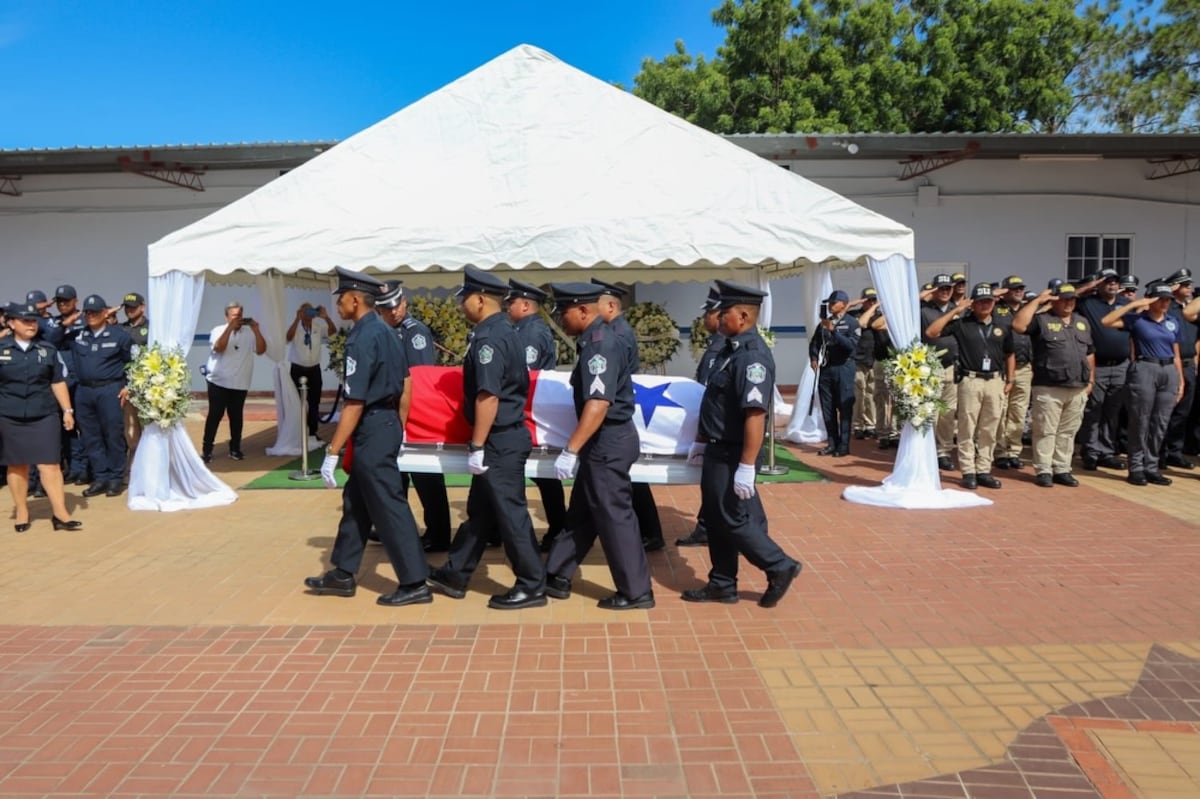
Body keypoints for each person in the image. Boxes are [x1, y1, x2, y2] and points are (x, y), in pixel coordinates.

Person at [305, 267, 431, 606]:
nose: (337, 305)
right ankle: (343, 572)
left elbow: (355, 401)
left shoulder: (362, 336)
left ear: (355, 299)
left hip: (372, 427)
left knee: (389, 506)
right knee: (357, 502)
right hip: (386, 423)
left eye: (341, 298)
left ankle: (415, 581)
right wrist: (399, 426)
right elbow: (406, 384)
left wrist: (332, 451)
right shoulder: (389, 331)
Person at [426, 267, 546, 610]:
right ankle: (456, 572)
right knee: (481, 510)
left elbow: (489, 396)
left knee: (511, 515)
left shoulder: (489, 338)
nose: (462, 306)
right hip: (503, 437)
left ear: (480, 299)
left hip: (499, 440)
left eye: (465, 299)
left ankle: (532, 584)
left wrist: (477, 445)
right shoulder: (502, 330)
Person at [680, 280, 801, 608]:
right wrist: (703, 441)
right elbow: (717, 403)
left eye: (725, 314)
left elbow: (755, 415)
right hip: (719, 448)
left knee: (733, 519)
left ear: (744, 315)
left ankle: (779, 565)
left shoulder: (752, 357)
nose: (719, 319)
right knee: (718, 519)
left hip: (735, 453)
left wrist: (747, 466)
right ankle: (722, 583)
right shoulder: (730, 350)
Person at [543, 282, 653, 610]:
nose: (560, 319)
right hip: (605, 440)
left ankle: (636, 591)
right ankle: (558, 573)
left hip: (608, 440)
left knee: (613, 517)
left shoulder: (599, 346)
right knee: (583, 511)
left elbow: (598, 403)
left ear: (583, 311)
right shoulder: (593, 342)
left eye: (563, 312)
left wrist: (570, 449)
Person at [375, 281, 452, 553]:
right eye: (387, 308)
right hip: (393, 410)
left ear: (404, 302)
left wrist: (405, 419)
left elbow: (420, 377)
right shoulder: (384, 332)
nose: (393, 312)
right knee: (397, 476)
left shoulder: (414, 332)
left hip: (415, 414)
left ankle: (439, 533)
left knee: (425, 477)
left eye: (396, 305)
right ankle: (393, 527)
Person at [590, 277, 665, 552]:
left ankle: (650, 533)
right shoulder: (616, 330)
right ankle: (651, 531)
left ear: (610, 305)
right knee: (631, 477)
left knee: (631, 478)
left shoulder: (617, 335)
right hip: (621, 404)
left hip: (618, 407)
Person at [0, 302, 82, 532]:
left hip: (43, 414)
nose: (31, 325)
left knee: (50, 465)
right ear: (11, 323)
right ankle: (22, 511)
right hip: (10, 414)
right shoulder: (1, 348)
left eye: (34, 321)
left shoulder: (47, 349)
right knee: (17, 465)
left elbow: (57, 381)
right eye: (26, 321)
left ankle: (60, 513)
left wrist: (67, 410)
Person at [925, 283, 1014, 489]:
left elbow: (1010, 353)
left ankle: (984, 469)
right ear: (972, 303)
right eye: (981, 301)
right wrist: (956, 310)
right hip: (970, 380)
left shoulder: (1002, 326)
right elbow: (932, 332)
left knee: (990, 428)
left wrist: (1010, 380)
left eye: (989, 301)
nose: (985, 305)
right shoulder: (962, 324)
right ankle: (968, 470)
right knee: (967, 426)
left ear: (994, 302)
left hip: (994, 380)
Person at [1101, 281, 1185, 486]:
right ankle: (1136, 467)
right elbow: (1106, 321)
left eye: (1168, 299)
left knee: (1160, 421)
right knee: (1140, 419)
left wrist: (1180, 380)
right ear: (1152, 300)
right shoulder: (1138, 320)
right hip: (1145, 367)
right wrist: (1133, 304)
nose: (1166, 303)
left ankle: (1151, 466)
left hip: (1168, 370)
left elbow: (1176, 354)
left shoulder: (1172, 321)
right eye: (1161, 299)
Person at [505, 278, 568, 551]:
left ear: (527, 305)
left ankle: (558, 529)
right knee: (541, 476)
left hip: (529, 410)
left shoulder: (530, 333)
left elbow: (524, 374)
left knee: (543, 475)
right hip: (530, 409)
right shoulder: (525, 328)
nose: (508, 306)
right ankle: (558, 528)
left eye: (513, 302)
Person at [1012, 283, 1095, 488]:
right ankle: (1044, 469)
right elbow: (1018, 326)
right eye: (1065, 299)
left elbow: (1090, 353)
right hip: (1049, 386)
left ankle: (1062, 468)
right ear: (1054, 300)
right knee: (1045, 430)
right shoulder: (1042, 320)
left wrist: (1091, 380)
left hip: (1077, 386)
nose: (1069, 303)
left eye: (1072, 299)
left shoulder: (1082, 322)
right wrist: (1038, 301)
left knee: (1068, 431)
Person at [71, 295, 134, 497]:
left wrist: (129, 386)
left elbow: (134, 362)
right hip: (84, 391)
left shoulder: (120, 336)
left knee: (113, 435)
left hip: (110, 390)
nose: (91, 316)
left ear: (105, 313)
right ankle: (100, 477)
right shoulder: (78, 336)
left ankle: (116, 478)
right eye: (87, 312)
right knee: (90, 437)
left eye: (95, 312)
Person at [677, 286, 723, 547]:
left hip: (717, 431)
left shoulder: (720, 349)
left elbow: (707, 391)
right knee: (713, 487)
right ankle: (706, 528)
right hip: (712, 428)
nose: (705, 318)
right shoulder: (716, 345)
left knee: (724, 491)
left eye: (709, 313)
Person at [1075, 269, 1131, 470]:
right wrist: (1089, 286)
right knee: (1093, 410)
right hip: (1097, 365)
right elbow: (1070, 296)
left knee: (1112, 411)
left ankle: (1106, 452)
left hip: (1121, 365)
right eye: (1107, 282)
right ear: (1099, 284)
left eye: (1115, 281)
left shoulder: (1126, 304)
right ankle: (1090, 451)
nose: (1112, 285)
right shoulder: (1088, 303)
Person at [201, 301, 266, 463]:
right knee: (215, 415)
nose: (238, 319)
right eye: (234, 316)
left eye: (240, 316)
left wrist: (256, 329)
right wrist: (230, 328)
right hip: (218, 381)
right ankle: (207, 450)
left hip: (240, 382)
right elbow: (219, 347)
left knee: (236, 416)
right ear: (227, 317)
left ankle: (235, 448)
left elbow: (261, 350)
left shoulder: (249, 332)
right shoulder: (218, 330)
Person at [808, 289, 860, 457]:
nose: (830, 305)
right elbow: (815, 343)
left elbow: (851, 346)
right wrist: (814, 357)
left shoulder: (852, 323)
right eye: (829, 303)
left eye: (833, 303)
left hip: (844, 367)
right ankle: (832, 443)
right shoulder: (824, 323)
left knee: (844, 407)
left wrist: (834, 332)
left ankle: (844, 445)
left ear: (844, 304)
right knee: (827, 407)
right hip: (827, 368)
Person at [992, 276, 1034, 469]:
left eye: (1021, 288)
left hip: (1024, 367)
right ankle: (1000, 451)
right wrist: (997, 294)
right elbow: (973, 304)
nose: (1018, 291)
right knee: (1000, 411)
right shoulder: (995, 307)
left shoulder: (1027, 309)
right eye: (1014, 288)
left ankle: (1013, 451)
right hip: (1001, 366)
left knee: (1018, 411)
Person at [920, 274, 960, 470]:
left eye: (948, 288)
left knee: (948, 412)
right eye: (941, 288)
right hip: (930, 366)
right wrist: (924, 294)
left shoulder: (957, 309)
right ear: (933, 290)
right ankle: (927, 450)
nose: (945, 292)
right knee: (930, 412)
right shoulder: (924, 310)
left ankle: (943, 451)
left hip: (952, 366)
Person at [1159, 268, 1198, 471]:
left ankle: (1175, 452)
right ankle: (1160, 452)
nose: (1189, 287)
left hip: (1190, 364)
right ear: (1175, 287)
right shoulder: (1167, 307)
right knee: (1167, 411)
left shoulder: (1191, 310)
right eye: (1184, 284)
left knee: (1183, 413)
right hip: (1172, 364)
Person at [51, 285, 90, 485]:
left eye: (66, 300)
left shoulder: (85, 320)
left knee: (84, 425)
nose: (62, 304)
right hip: (61, 383)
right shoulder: (54, 323)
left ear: (76, 300)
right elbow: (50, 339)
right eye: (59, 301)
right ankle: (73, 467)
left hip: (81, 381)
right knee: (66, 428)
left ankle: (84, 468)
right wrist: (64, 324)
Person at [286, 300, 335, 448]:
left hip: (314, 369)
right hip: (298, 369)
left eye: (311, 311)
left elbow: (333, 331)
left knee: (314, 402)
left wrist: (325, 317)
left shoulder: (318, 326)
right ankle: (298, 432)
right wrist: (297, 319)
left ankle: (313, 432)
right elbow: (288, 337)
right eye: (305, 311)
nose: (309, 315)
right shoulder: (297, 327)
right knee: (297, 403)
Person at [119, 292, 150, 465]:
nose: (130, 310)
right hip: (127, 386)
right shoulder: (121, 328)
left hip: (148, 386)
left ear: (142, 307)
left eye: (133, 306)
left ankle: (149, 464)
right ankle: (133, 466)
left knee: (148, 426)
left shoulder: (152, 327)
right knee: (130, 428)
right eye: (127, 307)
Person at [851, 288, 881, 440]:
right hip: (858, 359)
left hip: (874, 360)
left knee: (871, 394)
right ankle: (857, 425)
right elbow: (840, 312)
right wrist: (856, 303)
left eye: (874, 300)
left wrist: (876, 308)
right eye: (868, 300)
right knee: (859, 394)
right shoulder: (855, 315)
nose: (871, 303)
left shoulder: (880, 316)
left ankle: (871, 424)